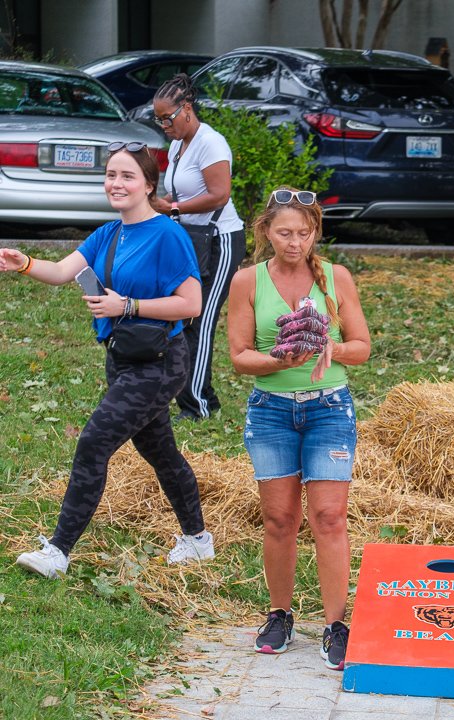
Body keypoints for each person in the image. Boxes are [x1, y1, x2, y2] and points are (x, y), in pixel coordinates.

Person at [3, 142, 213, 578]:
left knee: (93, 443)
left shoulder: (167, 234)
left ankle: (58, 551)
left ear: (148, 185)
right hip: (123, 358)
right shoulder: (109, 233)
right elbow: (63, 272)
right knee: (161, 451)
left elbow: (191, 303)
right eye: (111, 175)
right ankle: (197, 540)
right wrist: (24, 263)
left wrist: (129, 306)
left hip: (160, 361)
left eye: (127, 176)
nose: (116, 184)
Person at [227, 187, 371, 671]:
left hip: (329, 407)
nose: (295, 242)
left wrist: (328, 349)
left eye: (305, 233)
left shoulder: (335, 278)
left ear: (315, 233)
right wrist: (278, 357)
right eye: (285, 232)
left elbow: (362, 346)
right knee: (279, 519)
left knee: (329, 517)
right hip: (271, 410)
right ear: (265, 231)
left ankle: (336, 624)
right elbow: (239, 356)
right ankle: (280, 614)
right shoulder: (247, 281)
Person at [150, 73, 246, 421]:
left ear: (186, 108)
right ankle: (199, 396)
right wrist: (162, 203)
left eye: (167, 117)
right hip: (193, 242)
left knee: (201, 321)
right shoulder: (178, 145)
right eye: (157, 119)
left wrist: (172, 208)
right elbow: (186, 193)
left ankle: (197, 406)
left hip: (221, 240)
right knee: (186, 316)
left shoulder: (211, 143)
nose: (163, 125)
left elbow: (220, 194)